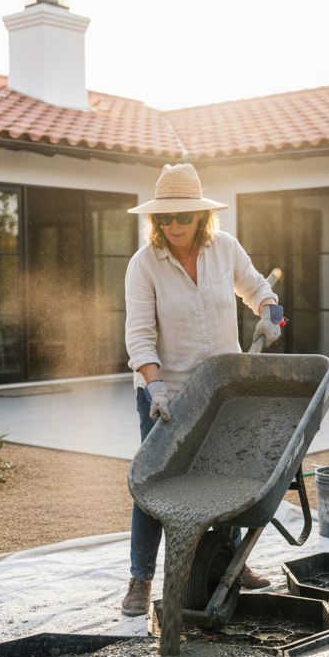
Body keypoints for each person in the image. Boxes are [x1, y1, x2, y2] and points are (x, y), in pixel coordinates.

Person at [121, 162, 285, 616]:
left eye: (183, 217)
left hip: (223, 389)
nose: (174, 226)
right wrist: (154, 389)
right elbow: (139, 336)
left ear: (201, 216)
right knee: (153, 484)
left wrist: (270, 310)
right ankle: (140, 579)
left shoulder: (225, 249)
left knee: (228, 475)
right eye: (165, 218)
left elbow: (256, 287)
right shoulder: (143, 265)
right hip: (166, 394)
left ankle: (231, 563)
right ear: (155, 219)